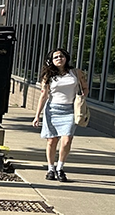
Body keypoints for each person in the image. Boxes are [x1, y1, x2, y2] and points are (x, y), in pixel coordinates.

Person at [33, 48, 89, 183]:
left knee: (67, 140)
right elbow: (43, 95)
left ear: (66, 58)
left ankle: (60, 168)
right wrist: (37, 115)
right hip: (52, 110)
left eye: (61, 56)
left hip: (70, 110)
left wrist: (81, 98)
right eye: (56, 57)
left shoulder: (76, 73)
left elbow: (85, 87)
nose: (59, 59)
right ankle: (50, 169)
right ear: (51, 61)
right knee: (52, 141)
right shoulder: (48, 75)